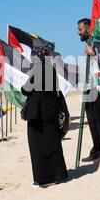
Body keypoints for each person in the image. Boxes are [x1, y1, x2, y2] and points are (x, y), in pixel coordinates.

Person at [21, 46, 68, 188]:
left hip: (37, 112)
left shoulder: (37, 69)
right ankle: (59, 174)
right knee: (53, 142)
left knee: (37, 146)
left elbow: (26, 90)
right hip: (51, 110)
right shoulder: (51, 68)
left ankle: (43, 178)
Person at [77, 18, 100, 162]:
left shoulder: (99, 42)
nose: (77, 32)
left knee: (99, 120)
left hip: (98, 87)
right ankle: (96, 149)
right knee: (91, 120)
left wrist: (93, 55)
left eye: (80, 29)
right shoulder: (89, 43)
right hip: (88, 86)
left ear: (88, 28)